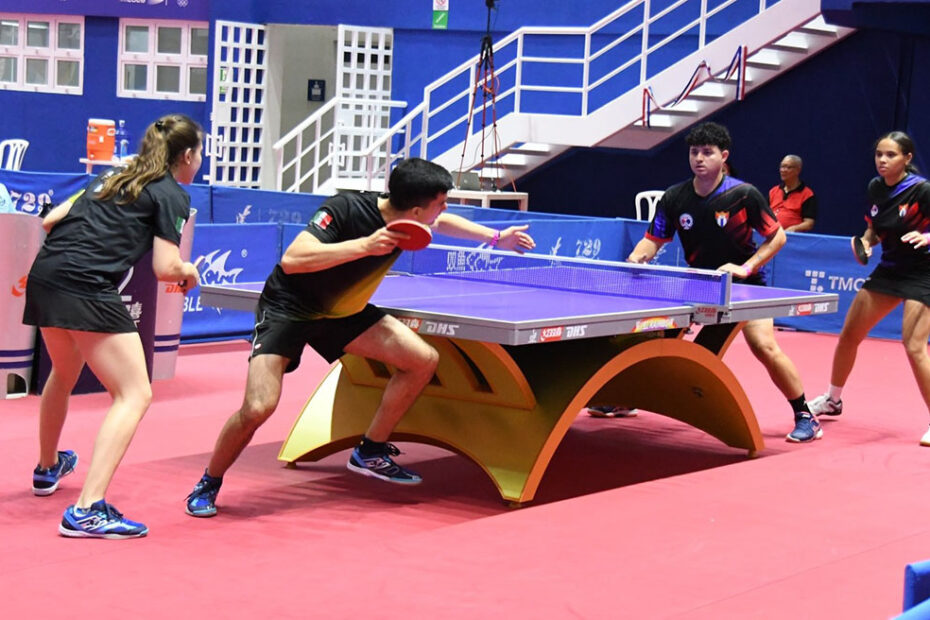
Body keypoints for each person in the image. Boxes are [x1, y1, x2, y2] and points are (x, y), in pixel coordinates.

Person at [184, 158, 537, 517]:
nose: (445, 209)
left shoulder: (414, 220)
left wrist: (496, 238)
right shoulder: (345, 208)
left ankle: (370, 450)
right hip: (288, 309)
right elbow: (293, 258)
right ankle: (209, 481)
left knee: (422, 360)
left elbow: (441, 222)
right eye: (441, 202)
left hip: (344, 314)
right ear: (416, 210)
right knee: (258, 407)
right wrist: (366, 246)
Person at [24, 114, 203, 538]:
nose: (200, 161)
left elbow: (50, 221)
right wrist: (189, 270)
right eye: (200, 153)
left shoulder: (112, 176)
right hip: (86, 285)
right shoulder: (171, 194)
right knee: (135, 393)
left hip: (45, 275)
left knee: (63, 373)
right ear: (186, 156)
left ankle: (47, 467)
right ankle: (87, 509)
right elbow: (165, 267)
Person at [625, 122, 820, 442]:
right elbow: (654, 239)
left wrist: (745, 267)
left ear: (723, 156)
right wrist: (637, 256)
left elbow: (777, 237)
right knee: (655, 338)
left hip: (745, 286)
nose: (699, 158)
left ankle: (805, 415)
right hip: (698, 285)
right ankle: (627, 398)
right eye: (694, 152)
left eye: (707, 152)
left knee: (764, 347)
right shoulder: (675, 197)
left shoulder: (743, 195)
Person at [808, 131, 930, 445]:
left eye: (890, 155)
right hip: (890, 270)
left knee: (914, 345)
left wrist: (927, 237)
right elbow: (874, 229)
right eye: (879, 154)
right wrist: (865, 242)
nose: (882, 160)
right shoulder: (876, 188)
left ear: (907, 158)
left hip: (924, 273)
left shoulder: (921, 190)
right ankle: (833, 399)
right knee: (850, 334)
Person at [768, 155, 817, 232]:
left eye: (788, 167)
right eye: (782, 167)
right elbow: (763, 214)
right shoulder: (773, 191)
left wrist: (794, 228)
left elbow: (809, 223)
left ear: (798, 170)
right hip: (770, 234)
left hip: (791, 236)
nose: (783, 170)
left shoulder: (807, 194)